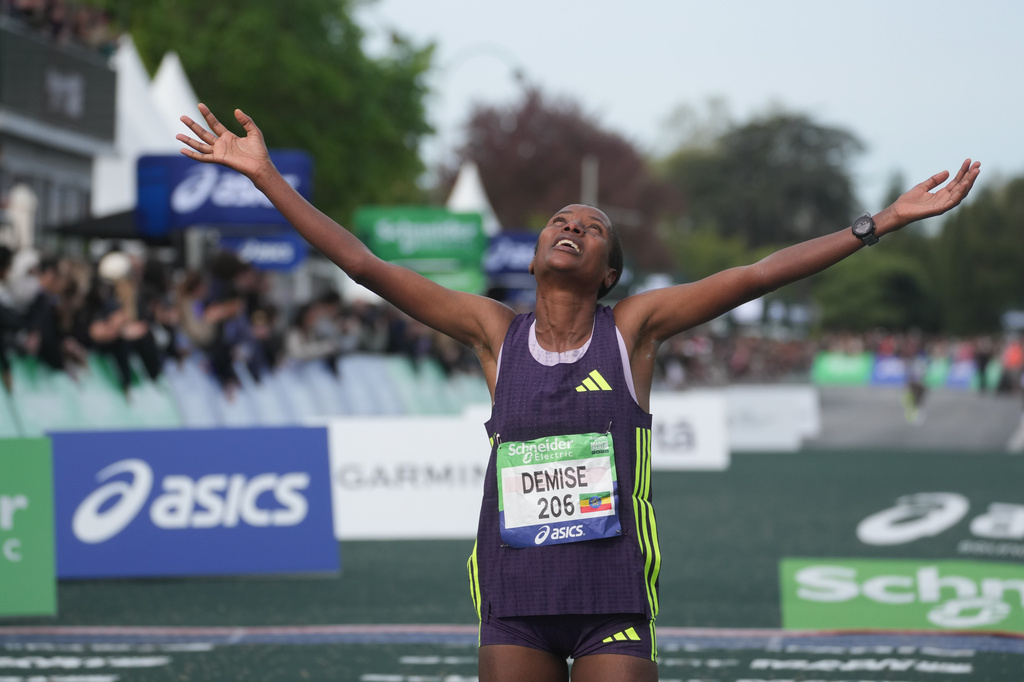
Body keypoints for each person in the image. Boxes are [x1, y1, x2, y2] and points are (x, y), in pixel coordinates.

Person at [178, 104, 980, 682]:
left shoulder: (633, 329)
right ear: (532, 259)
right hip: (515, 595)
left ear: (608, 272)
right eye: (560, 220)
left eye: (592, 228)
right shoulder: (493, 331)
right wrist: (266, 180)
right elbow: (362, 264)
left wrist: (881, 223)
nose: (572, 226)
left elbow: (757, 274)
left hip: (612, 595)